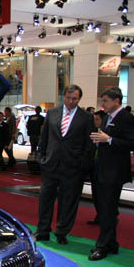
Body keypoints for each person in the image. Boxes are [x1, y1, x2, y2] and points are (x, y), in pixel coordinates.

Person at [35, 84, 94, 245]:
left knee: (68, 202)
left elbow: (89, 144)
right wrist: (41, 157)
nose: (71, 101)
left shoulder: (86, 117)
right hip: (50, 164)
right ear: (64, 97)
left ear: (79, 99)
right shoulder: (52, 113)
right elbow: (44, 137)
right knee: (45, 199)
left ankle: (62, 232)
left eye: (74, 99)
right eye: (68, 98)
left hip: (73, 167)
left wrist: (83, 165)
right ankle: (42, 230)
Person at [88, 87, 134, 261]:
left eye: (105, 101)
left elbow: (132, 144)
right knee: (104, 209)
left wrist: (108, 140)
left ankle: (102, 246)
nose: (102, 104)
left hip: (114, 172)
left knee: (107, 210)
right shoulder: (108, 117)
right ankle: (111, 243)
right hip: (102, 170)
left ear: (116, 101)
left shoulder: (127, 118)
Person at [87, 110, 106, 225]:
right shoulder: (93, 132)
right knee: (96, 194)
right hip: (94, 167)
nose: (95, 121)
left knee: (103, 195)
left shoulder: (107, 134)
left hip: (104, 168)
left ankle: (107, 216)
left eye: (97, 119)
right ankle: (99, 215)